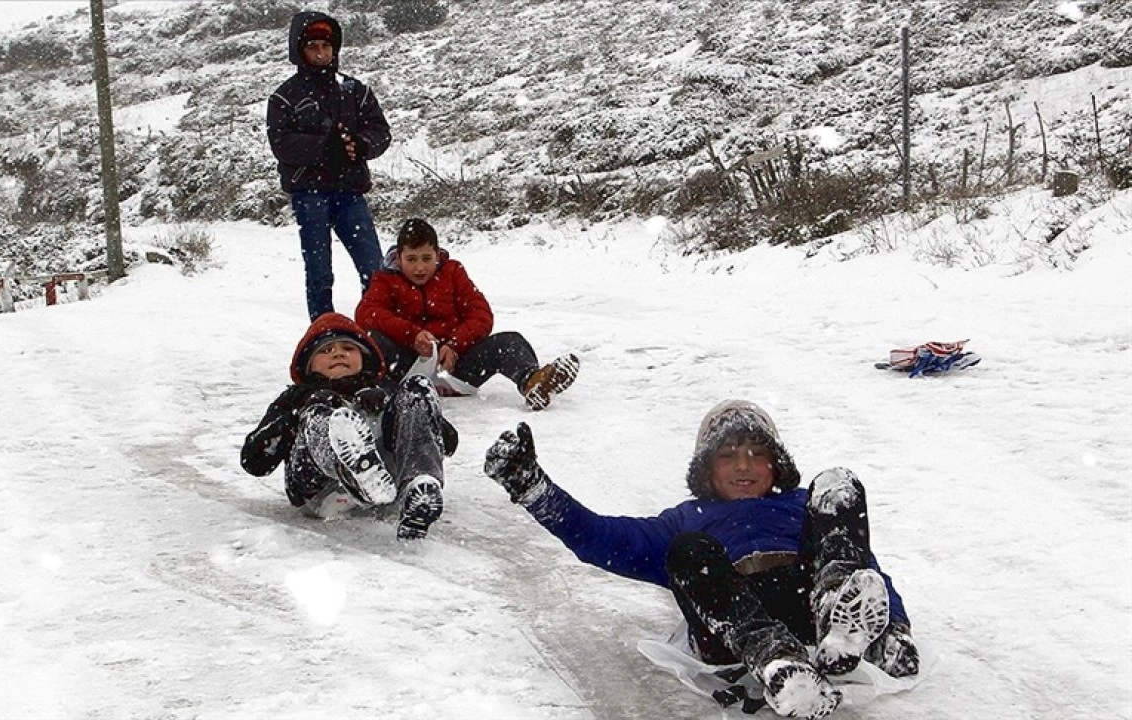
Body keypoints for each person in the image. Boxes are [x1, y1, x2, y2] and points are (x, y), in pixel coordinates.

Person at [483, 400, 920, 720]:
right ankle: (775, 660)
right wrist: (534, 489)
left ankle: (842, 623)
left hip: (806, 597)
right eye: (727, 455)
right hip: (733, 616)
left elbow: (868, 570)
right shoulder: (686, 518)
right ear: (705, 469)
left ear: (777, 462)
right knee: (688, 550)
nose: (743, 466)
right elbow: (600, 537)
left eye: (757, 453)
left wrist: (894, 628)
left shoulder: (803, 503)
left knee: (838, 485)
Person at [240, 312, 457, 540]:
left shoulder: (384, 389)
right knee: (319, 416)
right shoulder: (296, 397)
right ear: (308, 364)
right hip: (319, 493)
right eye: (326, 350)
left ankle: (418, 486)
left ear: (364, 358)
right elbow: (254, 462)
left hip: (387, 491)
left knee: (418, 386)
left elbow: (448, 441)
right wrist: (297, 415)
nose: (338, 354)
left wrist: (390, 408)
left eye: (348, 348)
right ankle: (352, 468)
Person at [355, 218, 580, 410]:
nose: (420, 268)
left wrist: (455, 345)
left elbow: (481, 314)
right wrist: (412, 335)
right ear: (398, 257)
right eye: (411, 260)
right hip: (405, 370)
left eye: (426, 258)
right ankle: (380, 396)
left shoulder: (453, 272)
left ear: (437, 254)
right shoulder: (385, 279)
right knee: (373, 340)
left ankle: (532, 382)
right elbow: (366, 314)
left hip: (457, 370)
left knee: (510, 341)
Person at [266, 11, 392, 321]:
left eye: (326, 46)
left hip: (350, 191)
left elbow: (380, 131)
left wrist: (361, 146)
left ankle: (376, 335)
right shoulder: (284, 97)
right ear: (300, 51)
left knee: (374, 272)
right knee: (320, 275)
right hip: (310, 195)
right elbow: (281, 144)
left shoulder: (355, 90)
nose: (321, 53)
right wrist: (325, 147)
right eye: (313, 47)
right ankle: (324, 338)